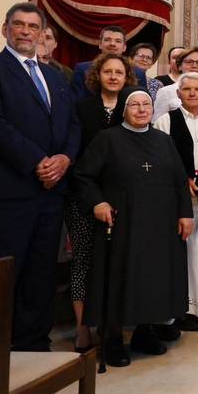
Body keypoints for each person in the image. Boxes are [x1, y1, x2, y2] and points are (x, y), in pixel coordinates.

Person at [0, 2, 80, 352]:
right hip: (7, 191)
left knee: (40, 273)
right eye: (19, 25)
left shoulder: (55, 77)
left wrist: (64, 158)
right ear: (6, 29)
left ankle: (32, 343)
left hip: (49, 194)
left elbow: (72, 124)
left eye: (33, 26)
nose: (26, 31)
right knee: (1, 272)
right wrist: (37, 161)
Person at [73, 89, 193, 367]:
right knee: (119, 276)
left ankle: (144, 331)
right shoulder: (108, 139)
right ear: (124, 110)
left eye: (146, 105)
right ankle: (113, 337)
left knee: (154, 278)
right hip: (122, 223)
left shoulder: (163, 141)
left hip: (160, 224)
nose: (141, 109)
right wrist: (98, 203)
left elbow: (179, 181)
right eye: (135, 105)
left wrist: (185, 214)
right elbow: (83, 176)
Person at [70, 53, 136, 351]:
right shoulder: (82, 109)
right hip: (84, 196)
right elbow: (75, 155)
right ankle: (83, 328)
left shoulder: (132, 107)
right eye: (107, 71)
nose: (112, 76)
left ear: (126, 78)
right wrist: (93, 199)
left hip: (123, 197)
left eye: (118, 72)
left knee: (118, 262)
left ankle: (113, 328)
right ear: (97, 75)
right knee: (84, 261)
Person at [153, 73, 198, 333]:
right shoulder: (164, 122)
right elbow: (158, 161)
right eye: (187, 89)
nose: (192, 93)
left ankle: (195, 310)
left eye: (197, 89)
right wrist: (182, 182)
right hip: (171, 198)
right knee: (172, 253)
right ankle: (169, 314)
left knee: (196, 252)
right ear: (178, 93)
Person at [71, 26, 147, 100]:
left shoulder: (138, 73)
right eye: (107, 40)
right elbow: (75, 103)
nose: (112, 44)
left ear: (124, 47)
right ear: (100, 44)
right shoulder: (82, 69)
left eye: (118, 41)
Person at [153, 47, 198, 125]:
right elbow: (157, 124)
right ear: (180, 66)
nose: (194, 65)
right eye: (189, 62)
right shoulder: (165, 92)